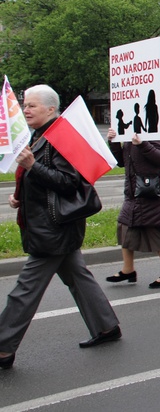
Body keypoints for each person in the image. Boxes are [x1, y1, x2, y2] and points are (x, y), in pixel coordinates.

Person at [0, 85, 120, 370]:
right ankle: (106, 327)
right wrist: (21, 198)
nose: (25, 109)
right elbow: (45, 187)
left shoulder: (60, 138)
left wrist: (32, 166)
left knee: (24, 291)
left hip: (53, 230)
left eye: (32, 105)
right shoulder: (41, 135)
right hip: (50, 226)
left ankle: (3, 347)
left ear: (51, 109)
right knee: (78, 276)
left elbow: (69, 183)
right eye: (25, 104)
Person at [105, 127, 160, 288]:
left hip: (154, 192)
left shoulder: (155, 129)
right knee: (126, 226)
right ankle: (128, 269)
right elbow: (121, 162)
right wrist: (114, 142)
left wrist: (142, 144)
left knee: (156, 232)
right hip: (134, 192)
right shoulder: (129, 130)